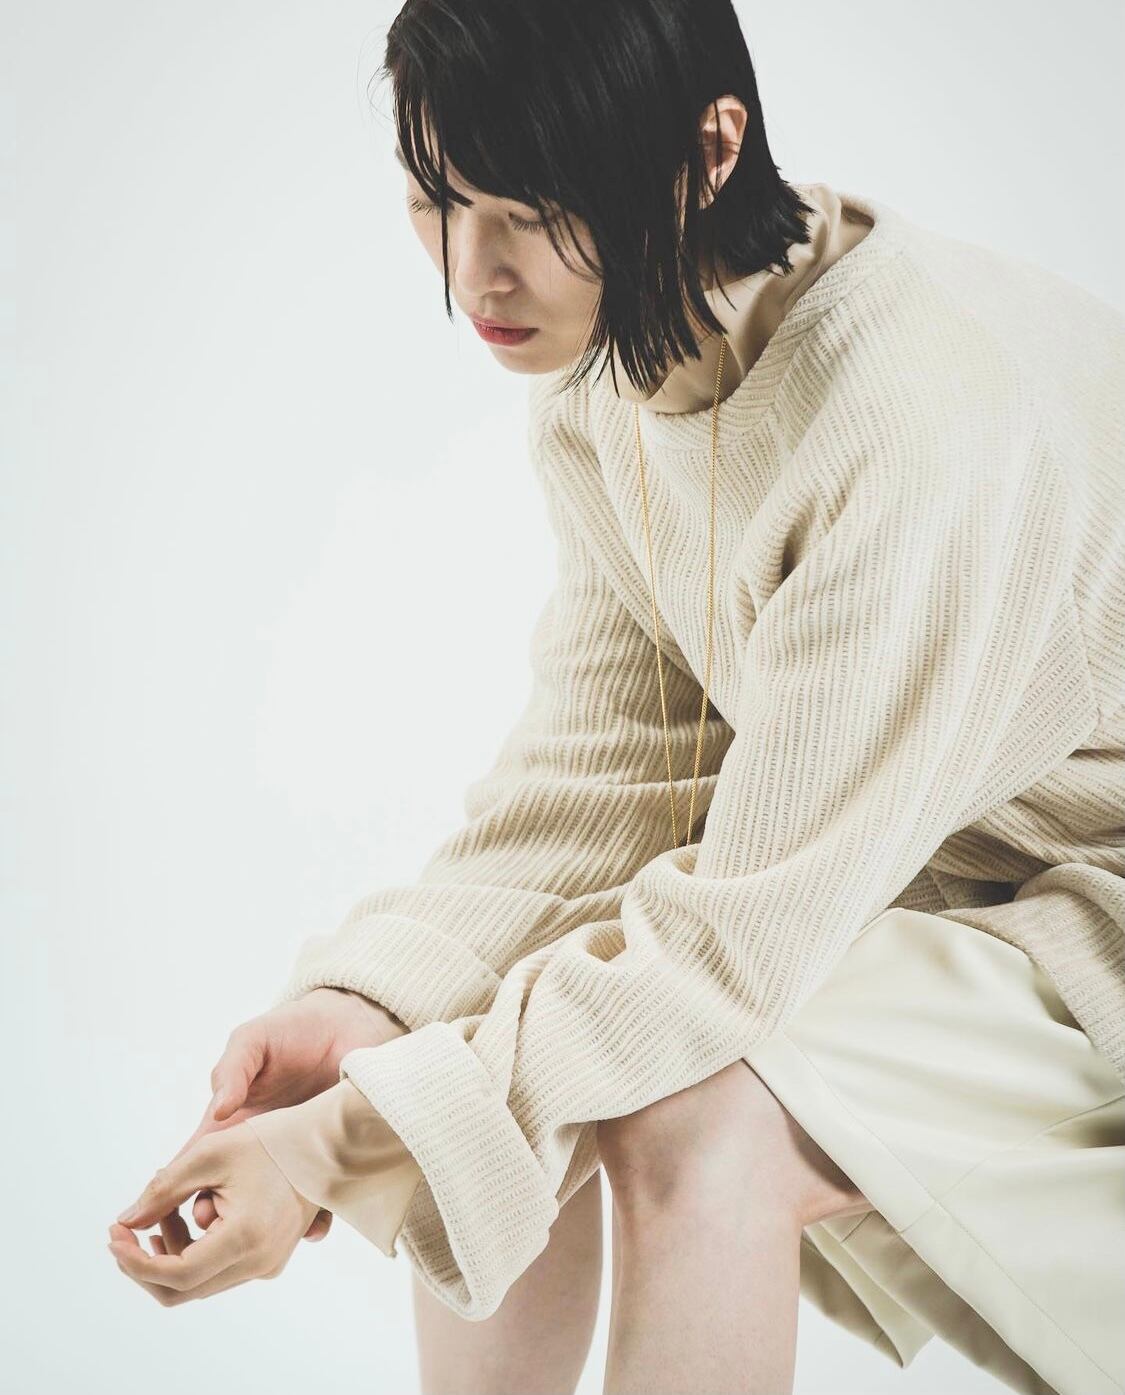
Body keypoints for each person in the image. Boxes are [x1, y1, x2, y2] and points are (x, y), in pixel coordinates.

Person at [107, 3, 1125, 1393]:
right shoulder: (622, 358)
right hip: (949, 874)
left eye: (533, 213)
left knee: (687, 1104)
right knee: (479, 1041)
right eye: (437, 200)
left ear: (710, 150)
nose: (477, 272)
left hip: (1092, 911)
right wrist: (378, 1007)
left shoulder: (917, 433)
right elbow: (614, 770)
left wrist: (332, 1151)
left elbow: (727, 947)